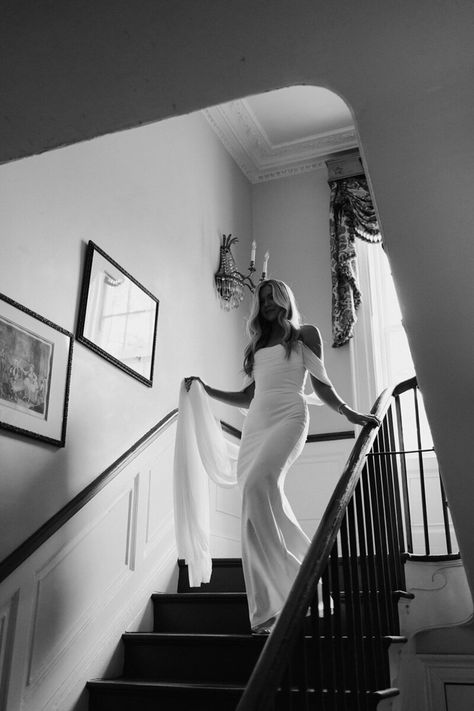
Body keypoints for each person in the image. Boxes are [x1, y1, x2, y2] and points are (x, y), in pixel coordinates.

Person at [185, 279, 379, 634]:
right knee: (253, 504)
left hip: (290, 416)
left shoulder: (305, 334)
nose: (268, 304)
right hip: (256, 426)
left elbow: (320, 382)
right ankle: (267, 610)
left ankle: (296, 588)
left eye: (273, 297)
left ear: (285, 298)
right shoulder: (257, 343)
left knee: (260, 484)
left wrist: (347, 412)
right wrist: (207, 391)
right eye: (262, 300)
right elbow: (250, 396)